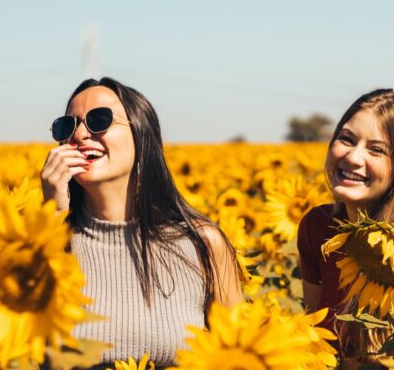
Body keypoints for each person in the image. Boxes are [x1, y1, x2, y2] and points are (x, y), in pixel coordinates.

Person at [40, 77, 243, 366]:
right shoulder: (35, 245)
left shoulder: (202, 244)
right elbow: (27, 347)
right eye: (67, 126)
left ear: (141, 134)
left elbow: (241, 353)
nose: (81, 134)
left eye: (99, 119)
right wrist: (50, 221)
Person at [296, 88, 394, 360]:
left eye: (376, 150)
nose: (353, 158)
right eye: (346, 139)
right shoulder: (317, 227)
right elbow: (316, 334)